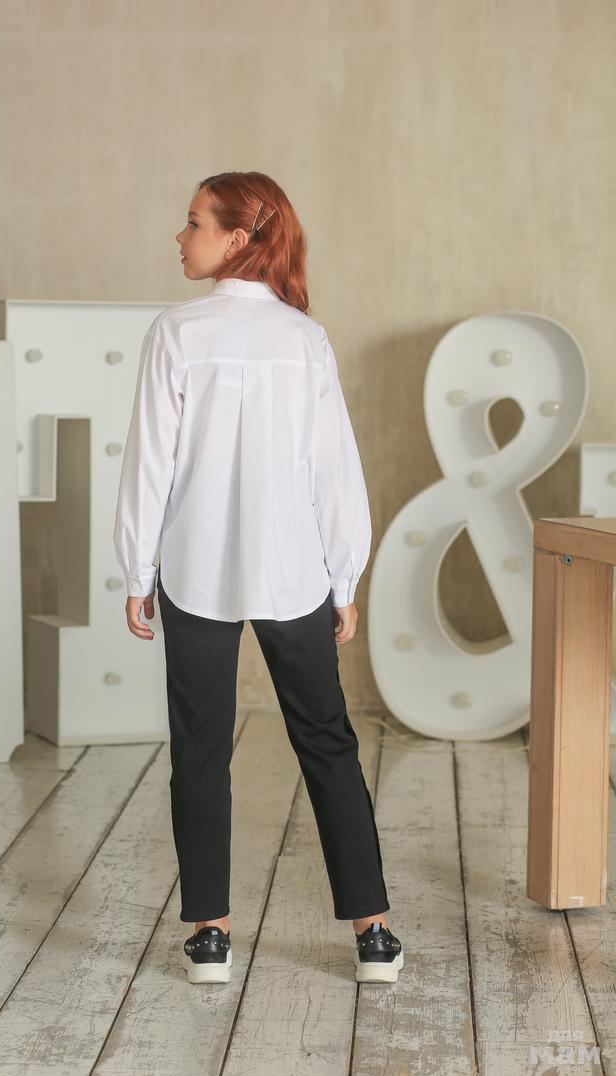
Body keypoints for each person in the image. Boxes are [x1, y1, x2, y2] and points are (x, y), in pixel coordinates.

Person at [113, 171, 403, 985]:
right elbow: (333, 469)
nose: (181, 237)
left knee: (199, 747)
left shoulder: (176, 332)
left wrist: (137, 568)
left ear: (238, 238)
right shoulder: (304, 338)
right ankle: (374, 934)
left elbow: (150, 463)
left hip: (195, 568)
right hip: (294, 570)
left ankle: (210, 935)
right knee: (328, 741)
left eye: (194, 222)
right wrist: (344, 578)